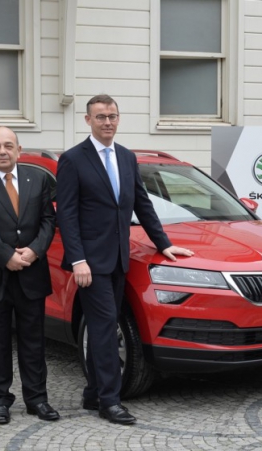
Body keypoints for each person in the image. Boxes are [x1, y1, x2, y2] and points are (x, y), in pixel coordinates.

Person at [55, 94, 194, 425]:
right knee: (104, 329)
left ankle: (92, 393)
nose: (107, 122)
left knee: (105, 326)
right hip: (90, 263)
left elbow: (142, 205)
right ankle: (109, 400)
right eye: (101, 116)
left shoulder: (127, 158)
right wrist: (78, 260)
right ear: (87, 120)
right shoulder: (73, 159)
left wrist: (165, 244)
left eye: (113, 116)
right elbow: (68, 216)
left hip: (120, 259)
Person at [0, 127, 59, 425]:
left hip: (31, 271)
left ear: (19, 149)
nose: (2, 151)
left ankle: (37, 399)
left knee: (33, 341)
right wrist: (7, 256)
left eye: (8, 145)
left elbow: (48, 219)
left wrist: (33, 251)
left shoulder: (38, 178)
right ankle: (0, 401)